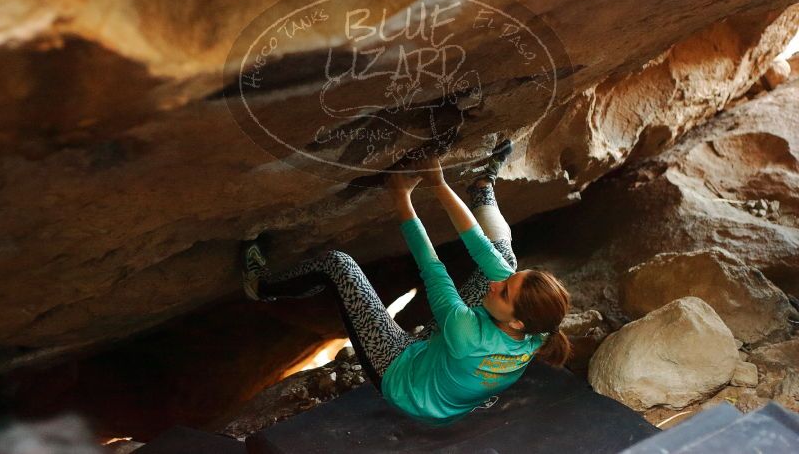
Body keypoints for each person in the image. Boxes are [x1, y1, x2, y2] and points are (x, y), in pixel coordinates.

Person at [241, 141, 571, 426]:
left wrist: (401, 195)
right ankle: (482, 188)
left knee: (338, 264)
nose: (496, 284)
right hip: (447, 358)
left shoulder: (465, 331)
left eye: (505, 291)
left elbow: (431, 265)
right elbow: (479, 247)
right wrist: (438, 182)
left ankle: (260, 286)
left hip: (406, 382)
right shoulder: (539, 328)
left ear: (516, 320)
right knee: (503, 257)